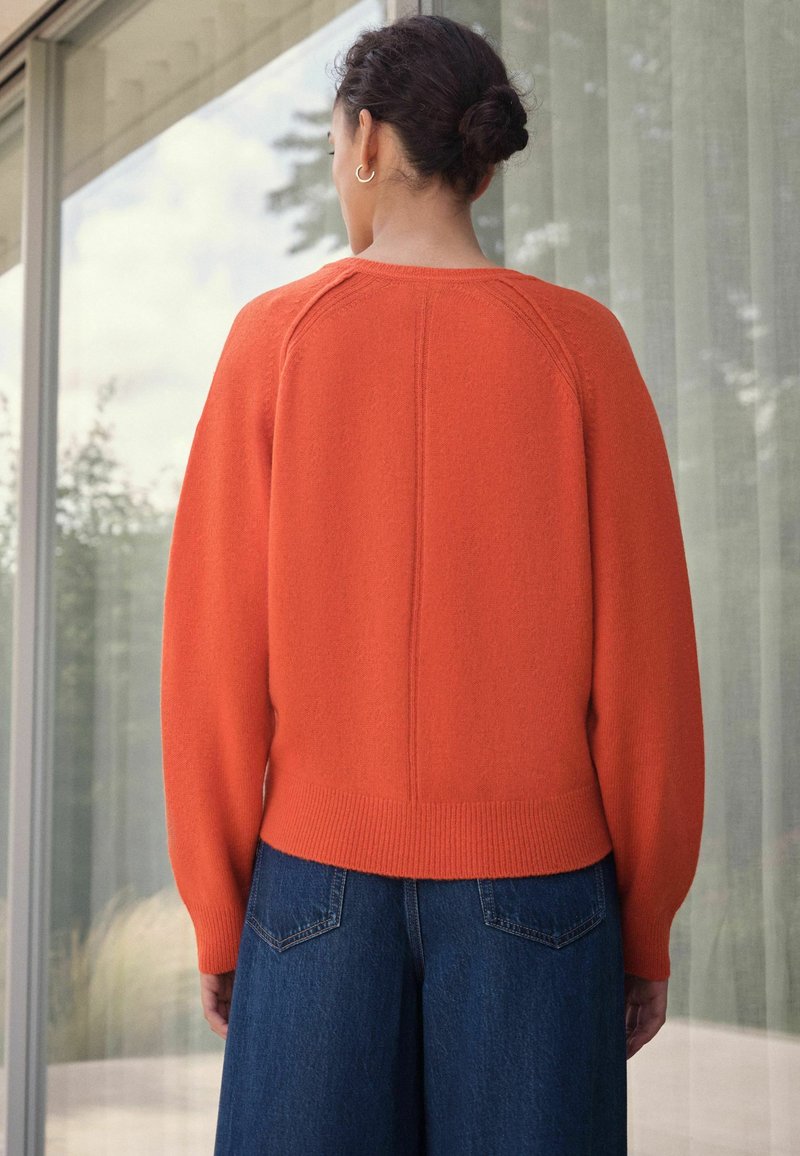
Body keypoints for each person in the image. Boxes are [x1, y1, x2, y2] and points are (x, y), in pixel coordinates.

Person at [160, 12, 705, 1155]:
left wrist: (218, 907)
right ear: (482, 162)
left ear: (366, 142)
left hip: (312, 892)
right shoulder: (581, 348)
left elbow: (212, 664)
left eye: (333, 147)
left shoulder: (271, 341)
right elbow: (647, 677)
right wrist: (644, 918)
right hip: (541, 896)